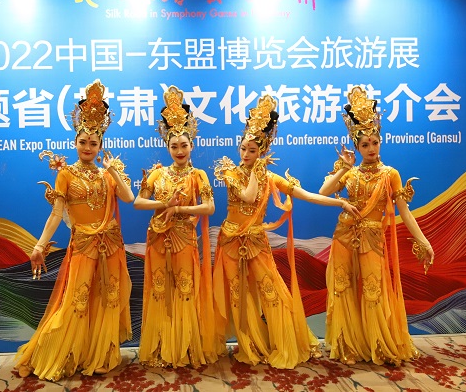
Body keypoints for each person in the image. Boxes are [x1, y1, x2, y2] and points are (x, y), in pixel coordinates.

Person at [211, 94, 360, 369]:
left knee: (272, 291)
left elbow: (307, 195)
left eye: (252, 150)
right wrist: (256, 171)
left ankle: (285, 341)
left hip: (256, 241)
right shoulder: (230, 173)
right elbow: (248, 196)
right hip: (231, 240)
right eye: (243, 148)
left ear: (262, 150)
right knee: (238, 295)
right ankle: (251, 345)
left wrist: (339, 202)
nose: (245, 154)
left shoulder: (270, 177)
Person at [15, 79, 135, 380]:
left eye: (93, 143)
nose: (88, 148)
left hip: (110, 244)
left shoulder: (107, 173)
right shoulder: (66, 175)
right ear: (75, 142)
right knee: (77, 299)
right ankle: (70, 353)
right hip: (82, 244)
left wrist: (112, 170)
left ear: (100, 146)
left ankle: (102, 353)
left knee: (108, 298)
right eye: (83, 142)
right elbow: (56, 214)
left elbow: (129, 198)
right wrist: (39, 246)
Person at [318, 86, 435, 366]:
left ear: (380, 142)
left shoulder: (390, 174)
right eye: (364, 145)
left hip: (372, 237)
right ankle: (348, 345)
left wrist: (424, 240)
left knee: (373, 289)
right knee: (343, 287)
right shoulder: (351, 172)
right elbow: (323, 192)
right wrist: (344, 167)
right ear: (357, 148)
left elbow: (404, 212)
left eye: (374, 142)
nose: (371, 149)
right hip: (344, 235)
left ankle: (378, 344)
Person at [133, 85, 220, 368]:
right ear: (167, 147)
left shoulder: (199, 175)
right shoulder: (157, 174)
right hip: (158, 238)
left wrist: (179, 208)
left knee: (184, 288)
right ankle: (161, 346)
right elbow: (138, 202)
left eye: (184, 145)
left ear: (191, 145)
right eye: (174, 146)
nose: (179, 151)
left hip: (184, 237)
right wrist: (163, 204)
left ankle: (185, 347)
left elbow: (209, 208)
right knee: (160, 289)